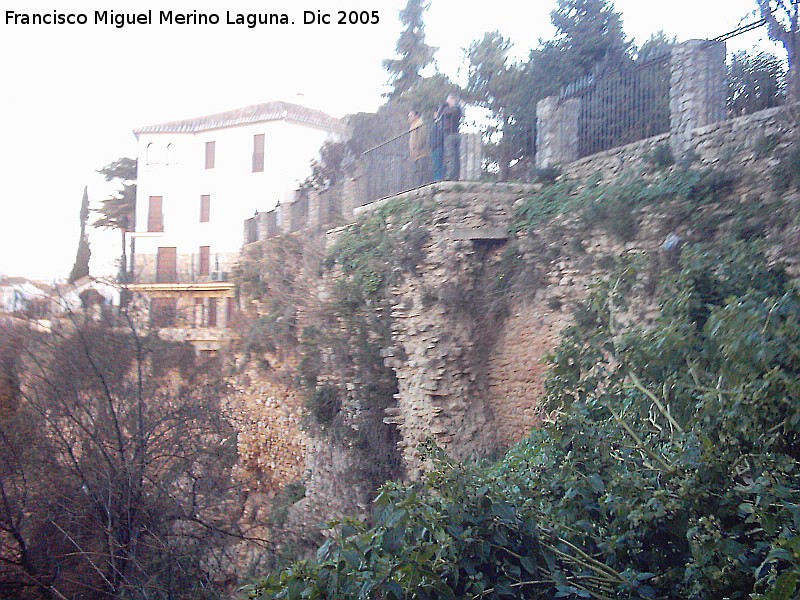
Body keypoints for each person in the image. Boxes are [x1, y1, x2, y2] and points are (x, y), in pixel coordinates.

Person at [440, 93, 463, 181]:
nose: (447, 102)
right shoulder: (458, 109)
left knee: (451, 155)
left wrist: (443, 107)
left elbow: (443, 113)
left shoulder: (454, 109)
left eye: (448, 100)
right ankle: (455, 175)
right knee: (455, 156)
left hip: (451, 134)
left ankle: (451, 175)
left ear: (452, 100)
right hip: (454, 133)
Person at [407, 110, 430, 188]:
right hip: (415, 155)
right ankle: (419, 188)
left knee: (423, 172)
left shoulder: (420, 124)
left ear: (416, 116)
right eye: (408, 117)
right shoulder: (412, 126)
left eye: (411, 116)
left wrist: (417, 148)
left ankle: (424, 187)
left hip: (421, 154)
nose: (409, 118)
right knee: (418, 173)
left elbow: (422, 138)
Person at [429, 105, 445, 182]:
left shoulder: (441, 122)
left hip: (438, 146)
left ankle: (439, 179)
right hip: (434, 147)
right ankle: (436, 178)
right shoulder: (435, 123)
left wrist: (437, 143)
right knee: (435, 164)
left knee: (439, 164)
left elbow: (441, 134)